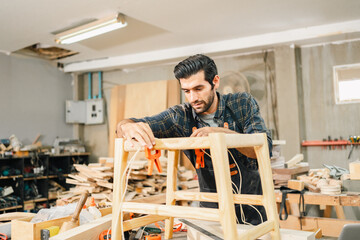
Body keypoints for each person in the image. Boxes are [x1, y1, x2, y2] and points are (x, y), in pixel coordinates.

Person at [116, 54, 272, 225]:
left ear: (215, 82)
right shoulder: (180, 116)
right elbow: (125, 126)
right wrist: (126, 126)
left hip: (253, 205)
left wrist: (220, 133)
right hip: (211, 208)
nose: (192, 98)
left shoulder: (241, 103)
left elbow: (265, 149)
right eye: (187, 91)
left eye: (198, 89)